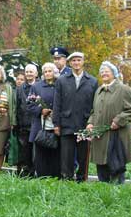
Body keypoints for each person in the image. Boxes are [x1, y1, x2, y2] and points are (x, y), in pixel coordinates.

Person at [86, 61, 131, 184]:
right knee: (101, 164)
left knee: (116, 165)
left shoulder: (124, 89)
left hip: (117, 136)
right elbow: (94, 111)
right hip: (100, 136)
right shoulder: (99, 90)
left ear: (114, 73)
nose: (103, 73)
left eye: (106, 71)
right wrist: (90, 123)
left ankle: (117, 194)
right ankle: (104, 193)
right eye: (102, 72)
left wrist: (118, 121)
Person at [53, 52, 98, 181]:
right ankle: (66, 179)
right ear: (70, 63)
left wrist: (92, 122)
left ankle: (81, 179)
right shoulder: (62, 80)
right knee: (66, 156)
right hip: (67, 124)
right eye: (73, 61)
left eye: (79, 60)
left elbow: (95, 105)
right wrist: (56, 124)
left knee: (83, 156)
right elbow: (57, 103)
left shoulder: (92, 81)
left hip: (85, 125)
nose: (76, 63)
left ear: (83, 62)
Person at [27, 63, 61, 178]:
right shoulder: (37, 87)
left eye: (49, 71)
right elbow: (30, 105)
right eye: (45, 71)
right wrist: (41, 110)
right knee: (41, 153)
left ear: (54, 72)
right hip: (41, 126)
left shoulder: (60, 84)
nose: (47, 73)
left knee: (56, 153)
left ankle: (55, 177)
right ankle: (42, 176)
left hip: (56, 126)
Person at [15, 64, 38, 177]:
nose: (29, 74)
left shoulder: (40, 87)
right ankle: (24, 173)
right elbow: (16, 107)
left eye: (31, 72)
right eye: (27, 72)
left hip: (37, 124)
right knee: (24, 151)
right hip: (23, 125)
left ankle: (35, 172)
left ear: (36, 74)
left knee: (37, 151)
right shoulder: (19, 89)